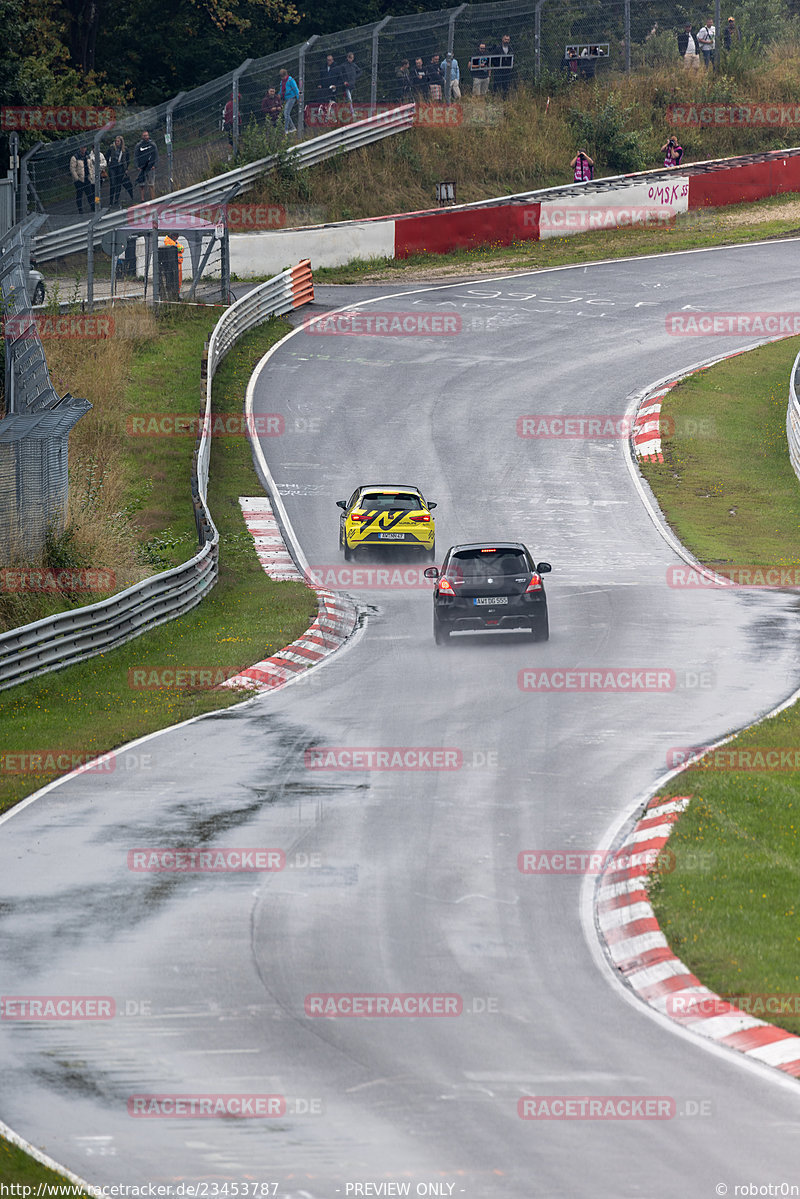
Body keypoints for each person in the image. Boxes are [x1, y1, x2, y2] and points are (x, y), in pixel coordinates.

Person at [107, 135, 133, 208]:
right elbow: (107, 155)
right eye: (116, 141)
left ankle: (116, 200)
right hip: (112, 166)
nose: (117, 142)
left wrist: (126, 168)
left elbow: (127, 159)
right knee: (112, 183)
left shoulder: (125, 149)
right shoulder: (111, 148)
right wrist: (108, 164)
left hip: (121, 167)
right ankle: (111, 200)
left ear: (121, 142)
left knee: (119, 184)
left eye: (118, 141)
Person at [134, 131, 158, 201]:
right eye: (144, 136)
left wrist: (155, 165)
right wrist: (137, 166)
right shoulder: (138, 145)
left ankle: (153, 198)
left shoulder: (152, 144)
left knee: (151, 183)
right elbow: (135, 156)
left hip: (150, 167)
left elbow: (156, 155)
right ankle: (142, 199)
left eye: (146, 135)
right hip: (142, 167)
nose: (145, 137)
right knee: (141, 184)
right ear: (142, 137)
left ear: (148, 136)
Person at [69, 145, 93, 213]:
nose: (84, 149)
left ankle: (93, 206)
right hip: (79, 179)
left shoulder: (88, 155)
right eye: (82, 148)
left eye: (85, 148)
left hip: (87, 178)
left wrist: (90, 175)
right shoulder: (75, 157)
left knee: (90, 194)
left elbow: (90, 165)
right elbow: (72, 169)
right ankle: (80, 209)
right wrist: (77, 178)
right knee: (79, 195)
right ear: (80, 148)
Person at [279, 67, 299, 134]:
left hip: (291, 97)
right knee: (287, 114)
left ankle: (286, 129)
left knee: (286, 113)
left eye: (283, 76)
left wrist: (298, 98)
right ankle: (293, 128)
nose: (283, 78)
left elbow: (296, 89)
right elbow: (281, 90)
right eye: (281, 77)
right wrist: (279, 94)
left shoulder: (290, 80)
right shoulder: (282, 82)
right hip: (285, 98)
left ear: (286, 75)